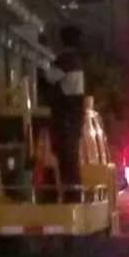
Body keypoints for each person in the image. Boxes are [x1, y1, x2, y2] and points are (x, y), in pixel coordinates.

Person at [44, 25, 86, 197]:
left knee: (66, 159)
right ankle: (73, 194)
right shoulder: (77, 61)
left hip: (66, 118)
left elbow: (49, 77)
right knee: (71, 159)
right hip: (75, 117)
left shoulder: (65, 60)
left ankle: (70, 195)